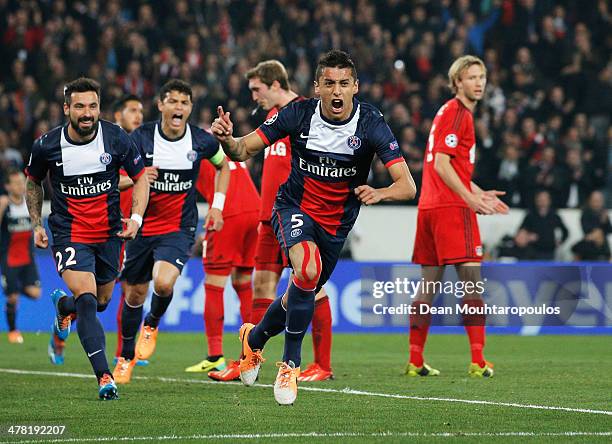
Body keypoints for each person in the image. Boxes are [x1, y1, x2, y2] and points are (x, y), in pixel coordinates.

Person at [212, 50, 416, 404]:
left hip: (336, 225)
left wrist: (380, 192)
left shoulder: (370, 123)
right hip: (294, 207)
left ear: (355, 86)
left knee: (298, 294)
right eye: (329, 83)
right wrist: (228, 140)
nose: (336, 91)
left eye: (343, 84)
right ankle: (290, 364)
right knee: (306, 268)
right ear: (317, 87)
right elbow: (243, 150)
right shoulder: (298, 114)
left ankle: (254, 340)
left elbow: (408, 185)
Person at [208, 60, 335, 383]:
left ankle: (322, 364)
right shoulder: (271, 119)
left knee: (312, 289)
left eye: (257, 89)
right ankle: (247, 359)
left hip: (298, 217)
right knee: (261, 286)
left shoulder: (306, 115)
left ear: (275, 84)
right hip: (268, 218)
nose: (253, 96)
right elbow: (244, 152)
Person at [25, 77, 149, 399]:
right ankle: (104, 376)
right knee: (89, 300)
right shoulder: (47, 145)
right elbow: (33, 182)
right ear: (67, 108)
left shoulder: (116, 138)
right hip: (70, 233)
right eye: (79, 106)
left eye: (92, 106)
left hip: (109, 234)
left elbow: (140, 179)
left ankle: (63, 307)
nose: (86, 113)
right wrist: (37, 223)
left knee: (101, 302)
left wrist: (135, 218)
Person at [113, 79, 230, 384]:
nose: (179, 107)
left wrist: (217, 206)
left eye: (185, 102)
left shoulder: (201, 141)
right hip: (142, 225)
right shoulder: (140, 138)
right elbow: (115, 176)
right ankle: (126, 357)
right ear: (161, 105)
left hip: (179, 227)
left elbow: (224, 166)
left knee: (163, 284)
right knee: (134, 294)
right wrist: (137, 178)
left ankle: (151, 324)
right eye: (173, 101)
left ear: (190, 108)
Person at [410, 55, 509, 378]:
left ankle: (415, 359)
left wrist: (477, 192)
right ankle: (478, 360)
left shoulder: (445, 113)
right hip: (451, 209)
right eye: (471, 77)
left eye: (482, 77)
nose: (479, 83)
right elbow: (442, 163)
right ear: (457, 83)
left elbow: (450, 166)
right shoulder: (459, 114)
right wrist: (469, 199)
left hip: (429, 207)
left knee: (428, 285)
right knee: (472, 284)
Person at [184, 158, 260, 374]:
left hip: (227, 214)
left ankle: (215, 355)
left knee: (214, 284)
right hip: (255, 210)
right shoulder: (224, 146)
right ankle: (250, 356)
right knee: (243, 283)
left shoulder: (191, 146)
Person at [110, 95, 151, 367]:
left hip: (132, 228)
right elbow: (106, 182)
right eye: (132, 110)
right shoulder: (108, 143)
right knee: (96, 296)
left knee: (131, 291)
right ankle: (63, 325)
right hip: (105, 228)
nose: (138, 115)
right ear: (117, 116)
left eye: (141, 111)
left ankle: (123, 351)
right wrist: (141, 176)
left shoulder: (142, 145)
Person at [0, 169, 41, 344]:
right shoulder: (3, 203)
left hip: (27, 258)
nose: (19, 186)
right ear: (7, 186)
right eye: (15, 183)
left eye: (22, 182)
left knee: (35, 293)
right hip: (9, 258)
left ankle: (12, 288)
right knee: (13, 298)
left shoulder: (29, 202)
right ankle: (13, 331)